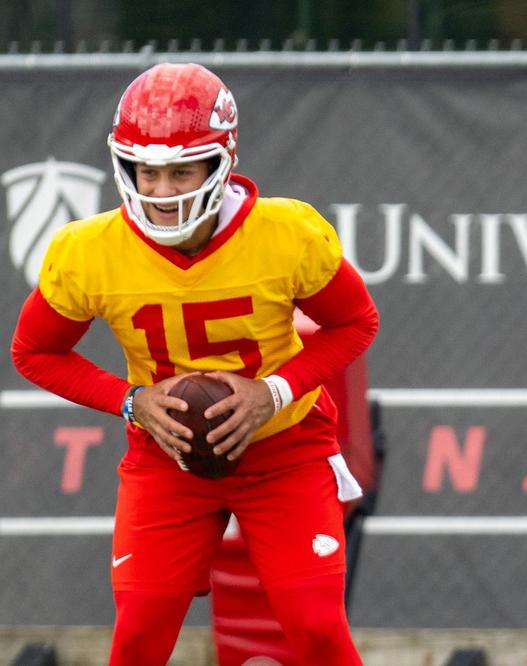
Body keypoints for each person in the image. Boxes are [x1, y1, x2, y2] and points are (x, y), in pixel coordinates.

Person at [9, 63, 378, 665]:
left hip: (283, 449)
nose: (161, 190)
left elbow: (355, 322)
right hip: (168, 455)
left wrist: (272, 393)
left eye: (181, 170)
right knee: (138, 636)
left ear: (219, 162)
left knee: (317, 628)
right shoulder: (89, 251)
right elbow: (34, 351)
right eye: (147, 171)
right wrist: (132, 401)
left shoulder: (285, 232)